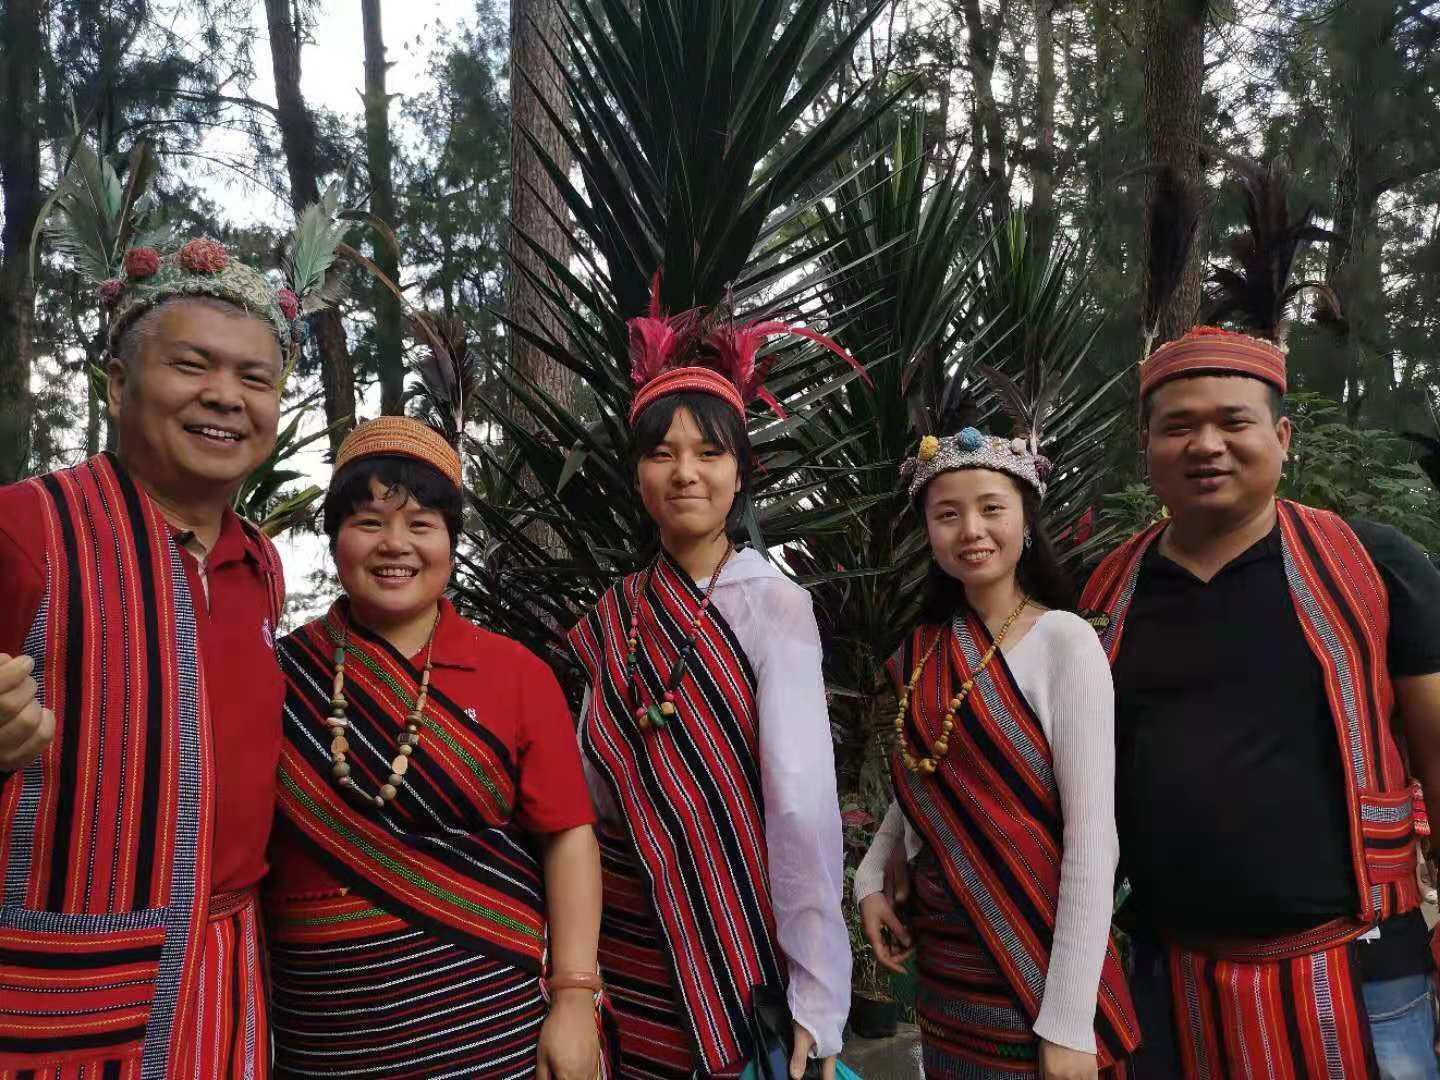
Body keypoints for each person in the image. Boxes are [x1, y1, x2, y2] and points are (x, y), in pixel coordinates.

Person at [1081, 324, 1440, 1079]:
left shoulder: (1372, 565)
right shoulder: (1108, 594)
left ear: (1281, 438)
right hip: (1167, 980)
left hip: (1363, 972)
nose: (1206, 445)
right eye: (1178, 426)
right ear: (1147, 447)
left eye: (1232, 421)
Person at [0, 237, 304, 1075]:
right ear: (117, 384)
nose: (226, 396)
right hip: (53, 988)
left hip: (231, 977)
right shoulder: (27, 528)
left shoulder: (260, 563)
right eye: (192, 365)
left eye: (256, 378)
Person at [266, 416, 605, 1079]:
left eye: (421, 524)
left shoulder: (517, 675)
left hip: (489, 1032)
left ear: (450, 541)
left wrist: (573, 997)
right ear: (335, 538)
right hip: (324, 1036)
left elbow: (568, 838)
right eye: (369, 522)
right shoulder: (278, 673)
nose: (395, 544)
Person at [566, 298, 853, 1079]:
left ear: (740, 472)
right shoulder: (617, 613)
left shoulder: (774, 606)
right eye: (661, 453)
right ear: (638, 474)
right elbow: (588, 794)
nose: (685, 472)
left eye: (709, 453)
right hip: (624, 955)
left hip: (735, 950)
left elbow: (801, 810)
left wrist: (818, 995)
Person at [854, 403, 1141, 1079]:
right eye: (947, 514)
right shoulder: (924, 651)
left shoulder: (1066, 642)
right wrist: (870, 876)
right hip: (946, 972)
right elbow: (925, 781)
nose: (971, 530)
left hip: (1038, 970)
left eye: (991, 509)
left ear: (1026, 520)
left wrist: (1068, 1022)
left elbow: (1093, 838)